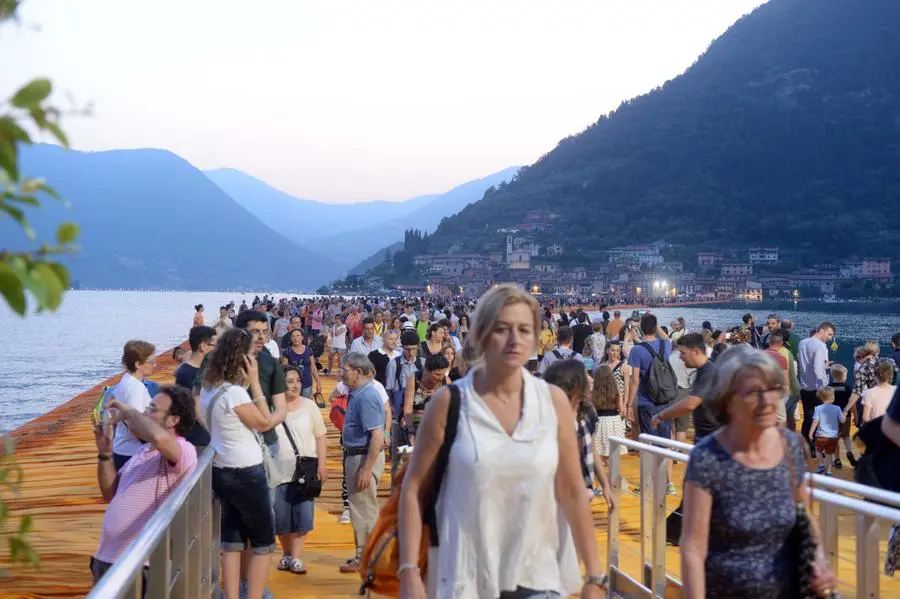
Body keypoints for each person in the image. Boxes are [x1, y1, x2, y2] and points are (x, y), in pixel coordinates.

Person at [397, 284, 606, 598]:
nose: (514, 340)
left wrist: (595, 575)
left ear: (536, 338)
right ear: (481, 335)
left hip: (537, 574)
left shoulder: (553, 402)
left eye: (524, 330)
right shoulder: (449, 403)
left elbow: (574, 490)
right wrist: (409, 570)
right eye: (502, 329)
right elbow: (414, 488)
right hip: (466, 575)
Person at [680, 345, 836, 599]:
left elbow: (804, 516)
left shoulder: (792, 445)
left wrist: (818, 561)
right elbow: (693, 547)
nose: (768, 402)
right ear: (727, 400)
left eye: (773, 389)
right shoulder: (708, 457)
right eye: (753, 392)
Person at [200, 328, 284, 599]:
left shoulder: (209, 388)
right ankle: (255, 595)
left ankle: (232, 594)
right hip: (246, 472)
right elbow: (265, 422)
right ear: (242, 359)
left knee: (233, 539)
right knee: (263, 542)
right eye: (251, 356)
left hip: (222, 469)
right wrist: (256, 383)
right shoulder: (235, 393)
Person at [91, 386, 198, 590]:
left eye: (152, 408)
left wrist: (128, 411)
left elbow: (159, 438)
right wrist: (104, 453)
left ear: (173, 420)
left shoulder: (184, 450)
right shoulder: (143, 451)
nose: (145, 412)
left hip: (141, 563)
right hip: (108, 557)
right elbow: (110, 494)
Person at [273, 366, 328, 575]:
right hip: (279, 470)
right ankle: (286, 554)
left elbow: (320, 436)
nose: (295, 385)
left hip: (305, 469)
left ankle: (296, 557)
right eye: (289, 381)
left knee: (303, 515)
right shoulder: (273, 407)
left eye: (297, 380)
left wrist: (322, 465)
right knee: (281, 517)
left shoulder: (310, 406)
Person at [543, 359, 614, 512]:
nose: (590, 379)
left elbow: (592, 450)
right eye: (585, 376)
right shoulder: (546, 417)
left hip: (582, 487)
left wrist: (605, 484)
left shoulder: (588, 412)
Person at [338, 353, 385, 574]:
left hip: (362, 456)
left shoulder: (366, 396)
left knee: (365, 508)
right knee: (360, 508)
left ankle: (369, 558)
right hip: (357, 455)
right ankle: (363, 554)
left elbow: (377, 435)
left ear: (358, 371)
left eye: (345, 369)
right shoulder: (358, 394)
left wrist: (366, 468)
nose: (341, 373)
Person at [111, 340, 157, 471]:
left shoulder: (126, 381)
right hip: (133, 452)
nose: (155, 365)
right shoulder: (135, 388)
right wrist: (158, 443)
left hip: (124, 449)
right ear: (138, 364)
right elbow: (135, 424)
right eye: (151, 362)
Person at [797, 322, 835, 449]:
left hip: (805, 385)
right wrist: (824, 386)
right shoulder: (820, 346)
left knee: (808, 418)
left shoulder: (802, 343)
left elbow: (804, 363)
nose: (830, 338)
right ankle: (814, 447)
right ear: (822, 331)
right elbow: (817, 368)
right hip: (818, 388)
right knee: (818, 419)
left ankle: (805, 445)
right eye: (829, 334)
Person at [809, 386, 844, 476]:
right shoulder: (837, 408)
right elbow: (842, 420)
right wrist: (844, 414)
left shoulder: (818, 408)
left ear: (821, 397)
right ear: (832, 397)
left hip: (821, 436)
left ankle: (821, 465)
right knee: (829, 454)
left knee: (818, 450)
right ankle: (828, 471)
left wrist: (811, 432)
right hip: (833, 437)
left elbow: (815, 421)